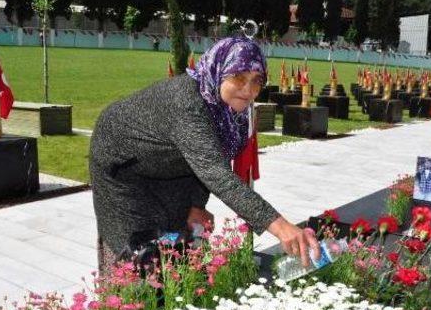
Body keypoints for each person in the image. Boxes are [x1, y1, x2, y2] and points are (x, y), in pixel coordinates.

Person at [90, 36, 319, 274]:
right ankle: (127, 306)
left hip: (171, 165)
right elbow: (216, 173)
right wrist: (281, 227)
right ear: (218, 71)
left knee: (180, 239)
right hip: (123, 172)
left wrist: (196, 204)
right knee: (140, 254)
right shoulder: (186, 103)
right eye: (238, 77)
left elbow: (208, 159)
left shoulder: (230, 111)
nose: (249, 90)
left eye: (257, 81)